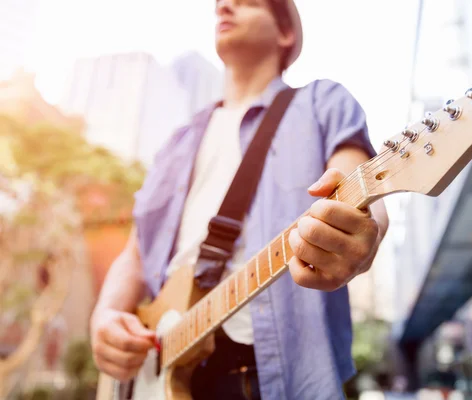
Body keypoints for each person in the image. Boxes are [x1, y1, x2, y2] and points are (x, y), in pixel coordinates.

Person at [90, 0, 389, 399]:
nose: (225, 6)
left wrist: (360, 235)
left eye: (247, 2)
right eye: (221, 3)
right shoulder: (178, 141)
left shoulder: (323, 101)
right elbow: (136, 251)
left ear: (285, 33)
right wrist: (105, 315)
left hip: (264, 376)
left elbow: (362, 196)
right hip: (158, 366)